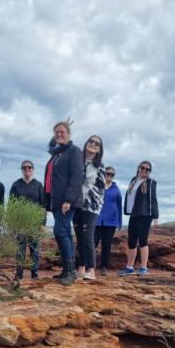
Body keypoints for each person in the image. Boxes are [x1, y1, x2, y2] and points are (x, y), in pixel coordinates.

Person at [44, 119, 83, 286]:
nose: (59, 134)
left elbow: (76, 177)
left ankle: (70, 271)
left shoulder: (74, 151)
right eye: (56, 132)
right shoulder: (56, 153)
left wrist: (68, 199)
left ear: (69, 134)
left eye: (62, 132)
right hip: (56, 201)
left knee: (62, 231)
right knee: (61, 232)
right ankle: (67, 271)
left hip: (67, 201)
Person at [119, 161, 159, 277]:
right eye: (143, 168)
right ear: (139, 168)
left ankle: (143, 268)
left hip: (145, 215)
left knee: (142, 241)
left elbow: (153, 199)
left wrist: (155, 216)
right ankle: (129, 268)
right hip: (134, 215)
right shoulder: (133, 180)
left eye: (147, 169)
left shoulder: (151, 182)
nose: (145, 170)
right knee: (131, 241)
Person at [74, 135, 105, 280]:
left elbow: (101, 189)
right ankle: (81, 268)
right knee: (79, 237)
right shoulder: (76, 161)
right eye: (91, 141)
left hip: (91, 207)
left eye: (96, 143)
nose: (93, 144)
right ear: (86, 143)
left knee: (87, 236)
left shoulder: (100, 167)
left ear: (99, 149)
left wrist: (92, 201)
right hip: (76, 204)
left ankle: (91, 270)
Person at [9, 160, 46, 280]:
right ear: (21, 169)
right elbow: (11, 205)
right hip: (20, 224)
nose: (27, 169)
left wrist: (43, 223)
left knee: (34, 250)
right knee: (20, 250)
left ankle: (34, 274)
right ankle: (19, 274)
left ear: (33, 169)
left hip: (34, 224)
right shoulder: (16, 185)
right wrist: (12, 224)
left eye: (29, 167)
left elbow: (43, 206)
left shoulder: (38, 185)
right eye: (24, 168)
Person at [94, 166, 122, 276]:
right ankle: (90, 265)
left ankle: (104, 267)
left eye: (111, 174)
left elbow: (119, 206)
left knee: (106, 245)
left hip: (110, 222)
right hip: (96, 221)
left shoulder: (116, 189)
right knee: (93, 244)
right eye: (107, 173)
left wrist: (119, 222)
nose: (109, 176)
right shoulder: (97, 186)